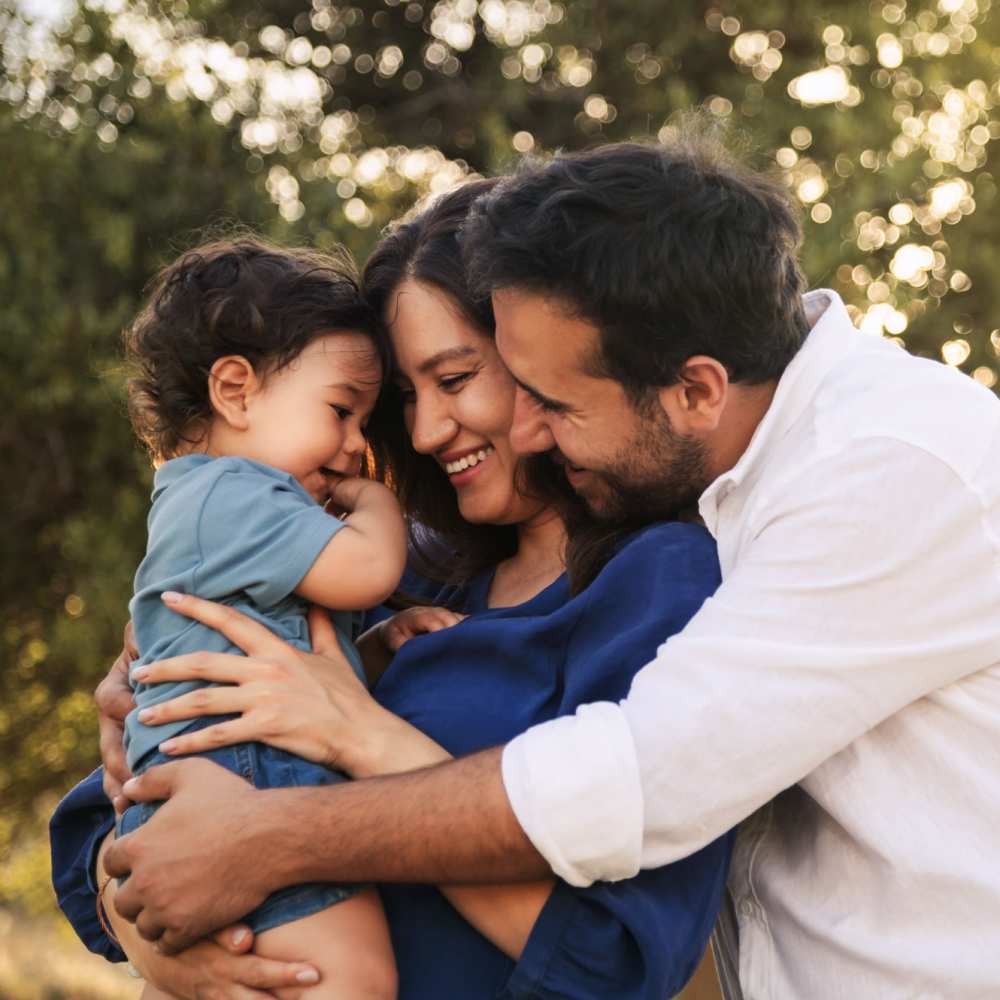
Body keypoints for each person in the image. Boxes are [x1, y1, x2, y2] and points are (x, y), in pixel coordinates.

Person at [51, 181, 732, 999]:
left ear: (541, 357)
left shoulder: (665, 582)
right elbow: (102, 830)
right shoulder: (390, 567)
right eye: (405, 398)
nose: (422, 432)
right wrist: (172, 946)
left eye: (454, 378)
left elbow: (618, 962)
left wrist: (355, 734)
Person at [108, 236, 414, 999]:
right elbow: (368, 569)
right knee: (349, 978)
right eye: (343, 412)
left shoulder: (204, 502)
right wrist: (379, 507)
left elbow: (289, 652)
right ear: (236, 391)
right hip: (246, 778)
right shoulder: (241, 493)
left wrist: (374, 647)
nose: (352, 449)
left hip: (204, 779)